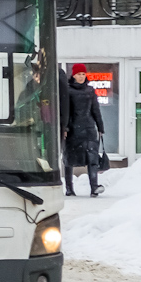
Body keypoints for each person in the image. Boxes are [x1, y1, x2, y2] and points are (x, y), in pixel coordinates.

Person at [62, 64, 104, 196]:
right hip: (72, 130)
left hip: (89, 129)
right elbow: (65, 111)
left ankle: (94, 187)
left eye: (83, 74)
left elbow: (95, 110)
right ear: (73, 75)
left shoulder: (90, 91)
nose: (81, 77)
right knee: (69, 159)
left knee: (92, 158)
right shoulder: (67, 91)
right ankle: (69, 188)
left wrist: (100, 127)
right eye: (79, 74)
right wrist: (65, 127)